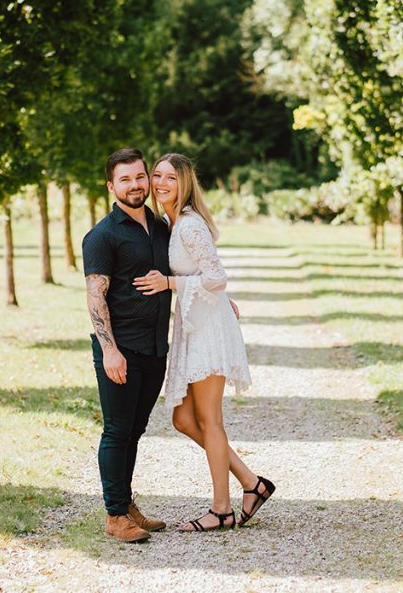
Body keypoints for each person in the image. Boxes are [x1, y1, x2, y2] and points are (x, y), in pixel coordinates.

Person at [133, 153, 276, 532]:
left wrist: (171, 283)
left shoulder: (190, 225)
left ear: (184, 184)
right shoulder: (170, 222)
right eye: (157, 176)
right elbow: (204, 275)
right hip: (196, 319)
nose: (161, 183)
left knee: (209, 420)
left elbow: (216, 276)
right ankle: (251, 483)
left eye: (170, 178)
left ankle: (221, 508)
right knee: (183, 418)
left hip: (207, 328)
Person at [82, 148, 172, 543]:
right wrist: (110, 351)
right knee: (117, 431)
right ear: (111, 186)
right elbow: (95, 296)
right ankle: (115, 515)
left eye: (140, 177)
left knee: (135, 430)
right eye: (125, 179)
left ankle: (127, 503)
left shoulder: (162, 227)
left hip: (155, 347)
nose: (135, 185)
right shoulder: (102, 236)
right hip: (121, 349)